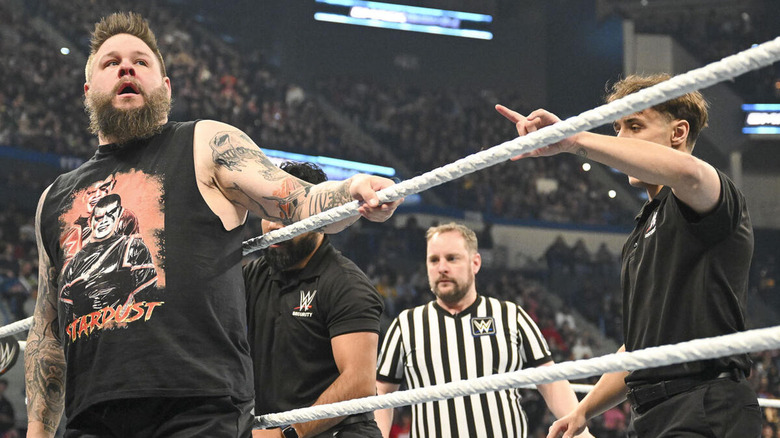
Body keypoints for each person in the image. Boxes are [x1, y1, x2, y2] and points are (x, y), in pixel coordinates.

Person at [25, 12, 401, 438]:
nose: (126, 67)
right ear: (89, 89)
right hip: (90, 418)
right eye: (111, 62)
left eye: (141, 61)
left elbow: (296, 200)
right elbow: (46, 329)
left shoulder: (204, 143)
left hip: (196, 411)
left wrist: (354, 190)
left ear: (165, 88)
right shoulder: (54, 198)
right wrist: (37, 431)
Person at [495, 73, 761, 438]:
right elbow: (639, 347)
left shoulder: (711, 195)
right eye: (617, 127)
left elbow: (689, 173)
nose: (619, 139)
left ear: (678, 133)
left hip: (706, 404)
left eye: (634, 125)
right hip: (650, 414)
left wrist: (574, 139)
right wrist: (583, 410)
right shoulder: (641, 231)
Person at [375, 222, 592, 438]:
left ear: (475, 263)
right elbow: (383, 393)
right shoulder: (407, 324)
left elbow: (551, 381)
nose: (442, 268)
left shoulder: (510, 316)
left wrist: (581, 434)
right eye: (434, 260)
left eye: (452, 258)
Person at [243, 161, 383, 438]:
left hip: (340, 432)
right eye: (266, 212)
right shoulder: (251, 276)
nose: (273, 226)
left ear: (319, 217)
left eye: (285, 215)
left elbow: (359, 382)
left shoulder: (345, 284)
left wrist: (287, 434)